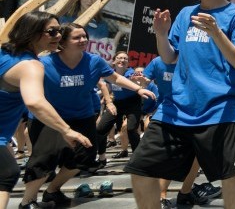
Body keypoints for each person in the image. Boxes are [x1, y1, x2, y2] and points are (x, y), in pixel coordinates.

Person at [125, 0, 235, 209]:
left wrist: (216, 32)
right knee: (140, 169)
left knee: (231, 179)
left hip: (218, 110)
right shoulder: (185, 14)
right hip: (175, 109)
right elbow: (169, 58)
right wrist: (161, 35)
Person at [21, 23, 154, 207]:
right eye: (77, 37)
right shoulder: (44, 64)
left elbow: (114, 78)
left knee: (84, 157)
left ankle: (52, 191)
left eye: (85, 36)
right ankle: (28, 201)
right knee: (44, 159)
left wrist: (138, 89)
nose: (83, 40)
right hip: (50, 119)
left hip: (81, 117)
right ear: (63, 42)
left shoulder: (94, 61)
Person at [1, 12, 92, 209]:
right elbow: (34, 101)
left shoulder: (6, 54)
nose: (58, 36)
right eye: (51, 32)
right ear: (31, 32)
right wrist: (66, 130)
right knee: (6, 174)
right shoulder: (32, 65)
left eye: (59, 31)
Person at [138, 56, 219, 207]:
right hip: (168, 114)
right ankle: (161, 196)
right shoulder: (157, 62)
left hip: (194, 113)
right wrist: (140, 83)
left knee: (197, 155)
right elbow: (144, 81)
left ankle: (185, 192)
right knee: (169, 155)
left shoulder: (193, 59)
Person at [96, 51, 142, 163]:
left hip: (133, 103)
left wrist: (138, 81)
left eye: (125, 59)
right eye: (119, 58)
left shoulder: (130, 73)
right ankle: (101, 157)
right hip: (118, 103)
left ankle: (138, 159)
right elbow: (107, 87)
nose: (122, 60)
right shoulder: (110, 73)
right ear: (114, 61)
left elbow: (137, 83)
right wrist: (107, 100)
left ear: (128, 63)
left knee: (131, 129)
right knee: (101, 128)